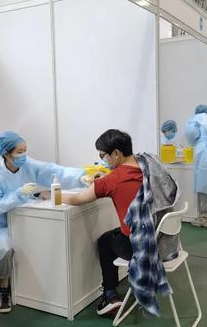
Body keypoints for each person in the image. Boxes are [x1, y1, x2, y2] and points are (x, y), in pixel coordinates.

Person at [61, 129, 179, 317]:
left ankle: (110, 295)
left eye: (103, 155)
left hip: (144, 250)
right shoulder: (148, 163)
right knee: (116, 232)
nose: (103, 160)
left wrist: (52, 194)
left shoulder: (113, 180)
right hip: (168, 243)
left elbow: (77, 199)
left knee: (105, 241)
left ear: (116, 153)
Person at [0, 131, 87, 313]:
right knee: (4, 248)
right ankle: (4, 289)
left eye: (25, 150)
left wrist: (80, 177)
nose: (24, 155)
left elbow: (51, 170)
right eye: (20, 152)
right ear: (6, 154)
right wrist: (19, 194)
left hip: (22, 217)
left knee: (36, 236)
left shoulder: (26, 164)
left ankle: (32, 287)